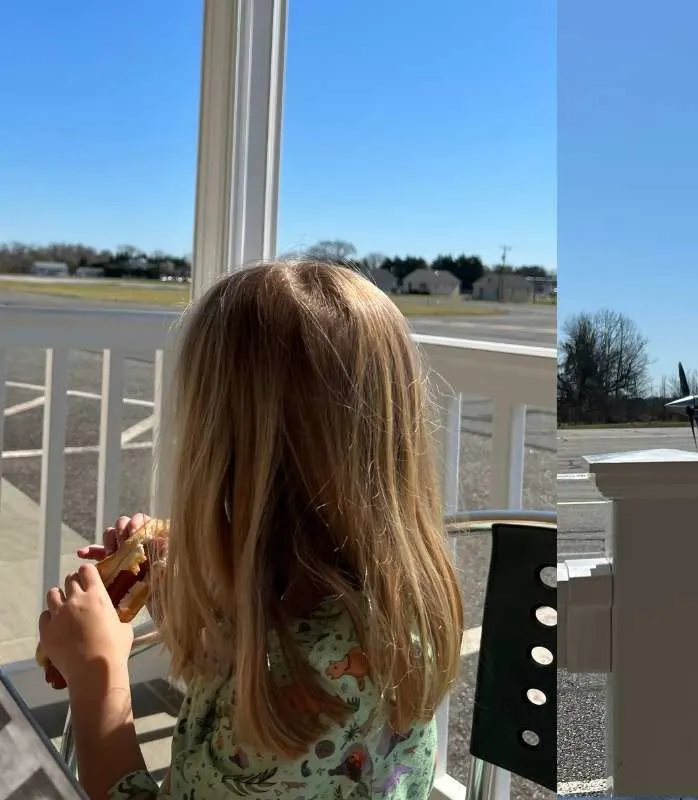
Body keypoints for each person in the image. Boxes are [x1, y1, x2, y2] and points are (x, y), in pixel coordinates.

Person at [37, 260, 465, 799]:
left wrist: (97, 674)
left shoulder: (303, 692)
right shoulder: (376, 603)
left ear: (219, 454)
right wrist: (187, 590)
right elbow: (254, 645)